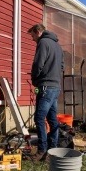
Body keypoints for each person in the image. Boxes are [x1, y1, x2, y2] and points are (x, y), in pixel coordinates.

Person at [27, 23, 64, 161]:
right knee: (52, 119)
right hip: (55, 87)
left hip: (46, 87)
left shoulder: (43, 42)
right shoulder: (58, 46)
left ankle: (42, 151)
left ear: (38, 32)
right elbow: (61, 66)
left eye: (32, 35)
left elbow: (38, 64)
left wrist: (35, 79)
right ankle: (52, 151)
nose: (32, 39)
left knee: (39, 118)